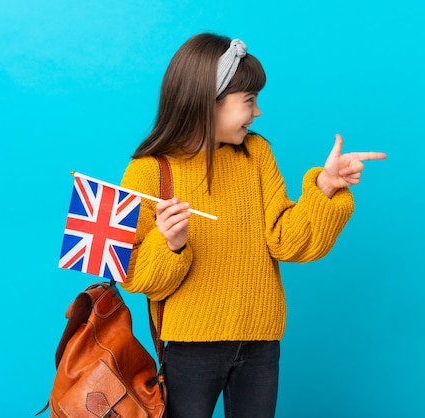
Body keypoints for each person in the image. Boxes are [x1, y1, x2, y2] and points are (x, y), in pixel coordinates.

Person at [120, 33, 387, 418]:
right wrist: (171, 244)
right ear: (207, 102)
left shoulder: (256, 154)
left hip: (261, 341)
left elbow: (286, 241)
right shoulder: (149, 172)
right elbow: (132, 275)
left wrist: (325, 189)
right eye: (249, 100)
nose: (258, 112)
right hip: (190, 346)